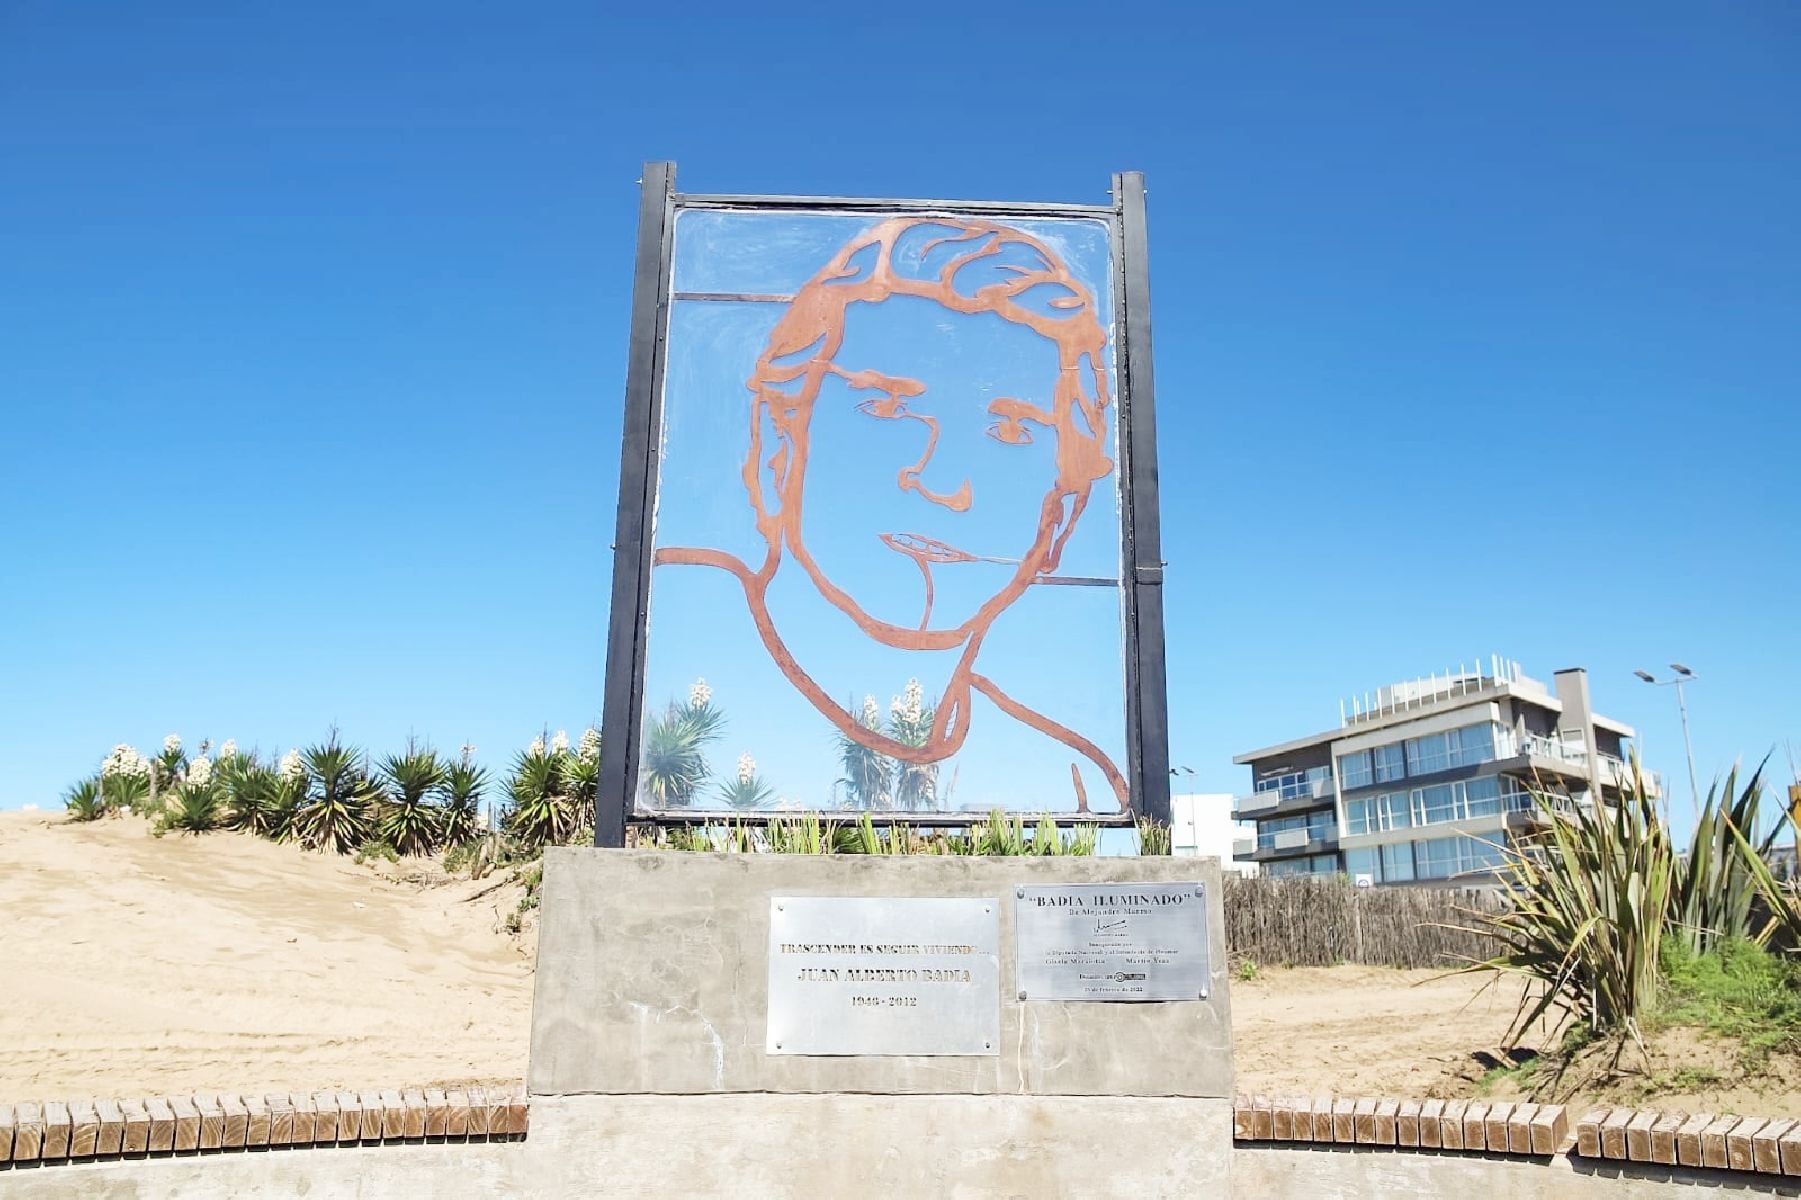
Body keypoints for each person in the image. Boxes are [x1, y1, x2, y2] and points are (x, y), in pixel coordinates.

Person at [655, 215, 1128, 813]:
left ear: (1062, 518)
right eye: (886, 408)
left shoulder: (1067, 784)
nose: (945, 485)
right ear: (778, 451)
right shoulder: (666, 690)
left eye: (1013, 431)